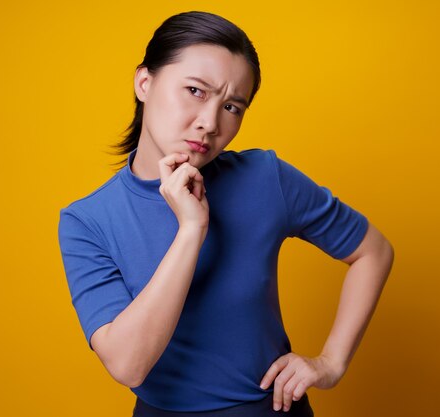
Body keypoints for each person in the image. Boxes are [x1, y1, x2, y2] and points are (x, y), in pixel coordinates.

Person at [58, 11, 394, 417]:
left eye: (233, 106)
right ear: (144, 83)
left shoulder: (264, 178)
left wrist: (331, 362)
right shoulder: (88, 221)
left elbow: (373, 251)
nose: (210, 123)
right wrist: (192, 229)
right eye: (196, 91)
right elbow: (129, 364)